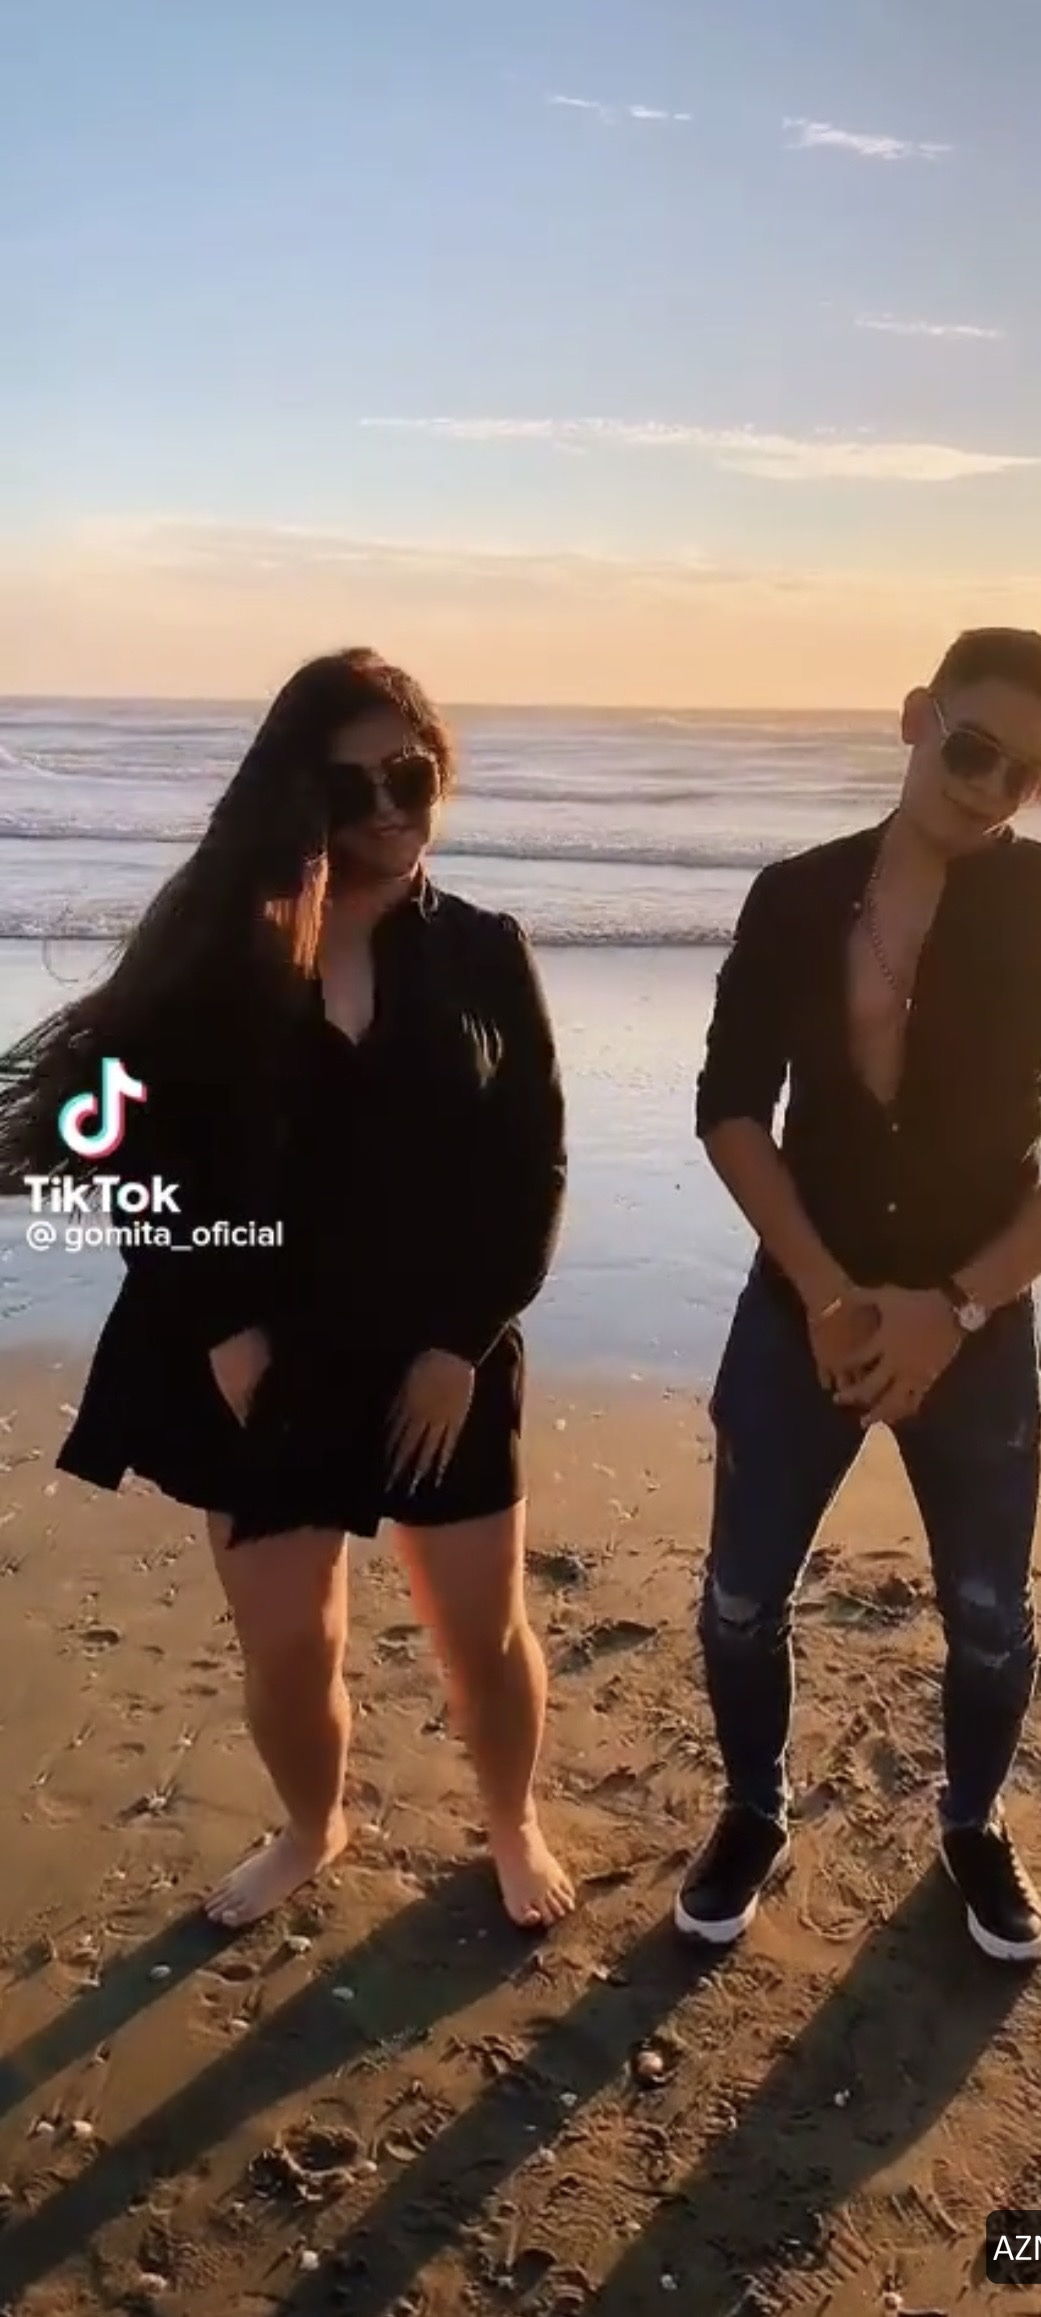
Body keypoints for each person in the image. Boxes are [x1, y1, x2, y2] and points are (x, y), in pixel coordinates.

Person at [0, 648, 574, 1933]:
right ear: (299, 797)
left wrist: (462, 1343)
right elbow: (128, 1148)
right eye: (349, 785)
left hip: (439, 1350)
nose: (388, 808)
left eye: (409, 775)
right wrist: (222, 1327)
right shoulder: (224, 949)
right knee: (291, 1647)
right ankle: (315, 1828)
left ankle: (511, 1820)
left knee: (483, 1632)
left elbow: (531, 1163)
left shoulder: (486, 952)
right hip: (256, 1347)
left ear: (441, 772)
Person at [674, 628, 1041, 1965]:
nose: (992, 788)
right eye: (973, 750)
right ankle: (754, 1811)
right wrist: (827, 1292)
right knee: (740, 1598)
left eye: (1026, 774)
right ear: (915, 719)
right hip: (800, 1310)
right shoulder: (793, 898)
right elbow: (729, 1106)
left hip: (978, 1328)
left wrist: (957, 1307)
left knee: (991, 1620)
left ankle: (973, 1824)